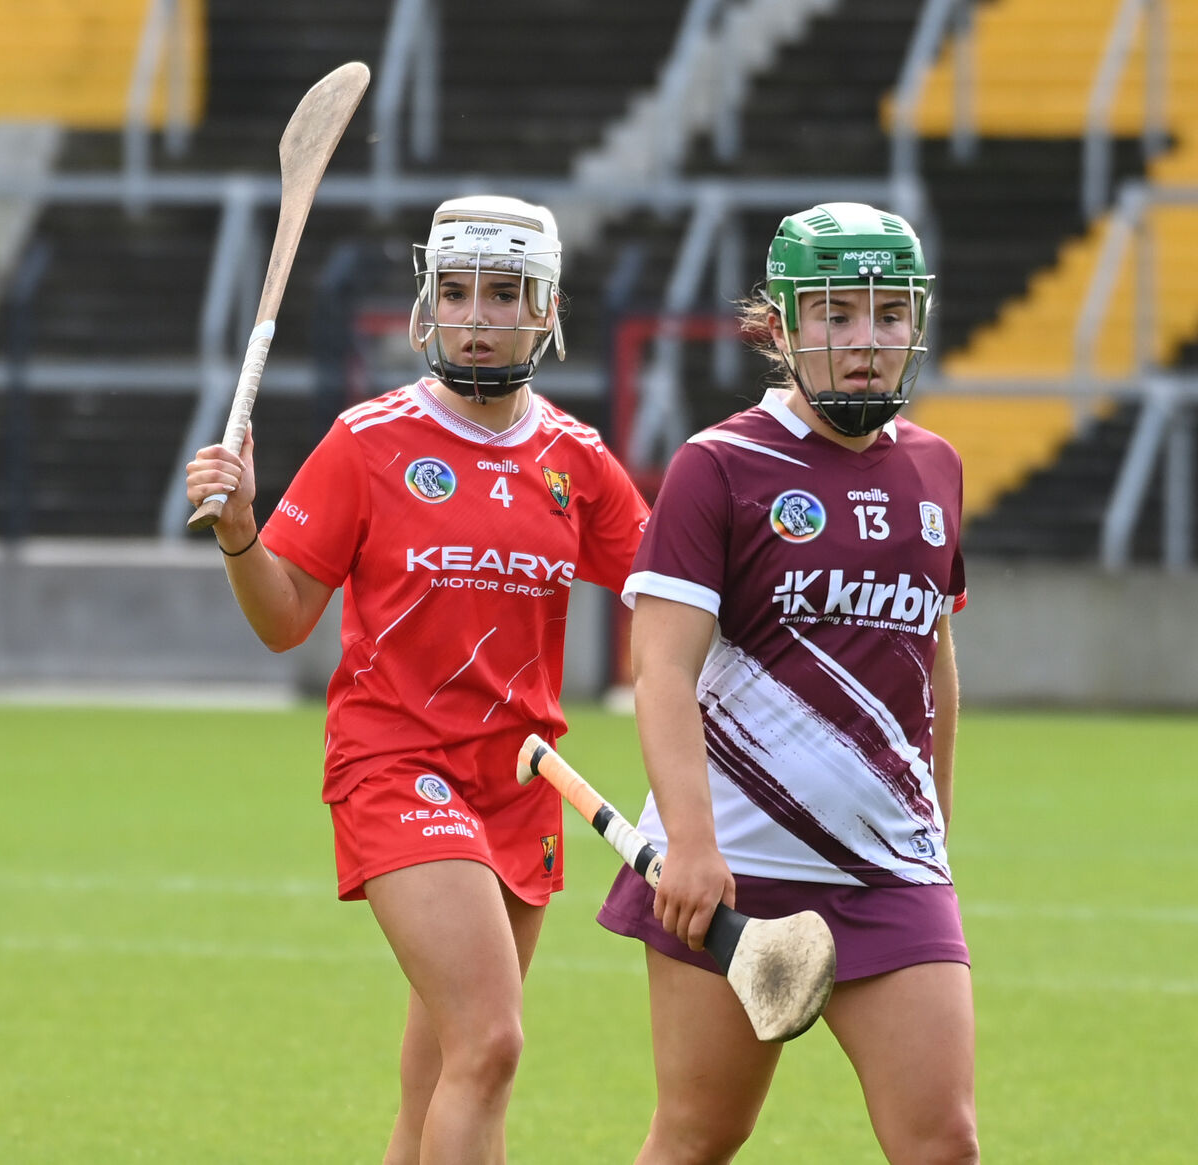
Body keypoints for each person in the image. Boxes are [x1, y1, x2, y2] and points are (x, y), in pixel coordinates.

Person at [186, 194, 649, 1165]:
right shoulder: (367, 442)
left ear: (547, 307)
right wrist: (240, 536)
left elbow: (668, 601)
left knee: (439, 1076)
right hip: (395, 764)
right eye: (458, 291)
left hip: (523, 782)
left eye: (504, 294)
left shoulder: (579, 463)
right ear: (428, 300)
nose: (478, 317)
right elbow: (284, 620)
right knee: (491, 1041)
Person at [596, 202, 979, 1164]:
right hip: (735, 866)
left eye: (888, 315)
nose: (865, 342)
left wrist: (934, 822)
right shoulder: (718, 466)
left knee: (945, 1143)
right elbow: (662, 671)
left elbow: (931, 656)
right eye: (835, 314)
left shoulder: (936, 468)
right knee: (699, 1136)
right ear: (781, 324)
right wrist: (689, 840)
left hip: (891, 868)